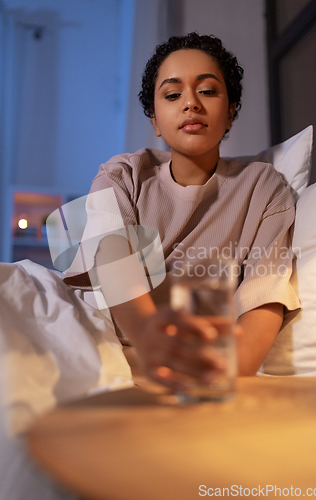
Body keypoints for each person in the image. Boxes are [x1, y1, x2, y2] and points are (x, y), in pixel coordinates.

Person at [64, 32, 300, 391]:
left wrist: (232, 374)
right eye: (173, 95)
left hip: (204, 365)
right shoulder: (122, 175)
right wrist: (153, 343)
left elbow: (264, 293)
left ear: (231, 112)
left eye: (207, 91)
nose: (191, 103)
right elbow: (111, 259)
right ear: (155, 120)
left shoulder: (264, 187)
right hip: (110, 343)